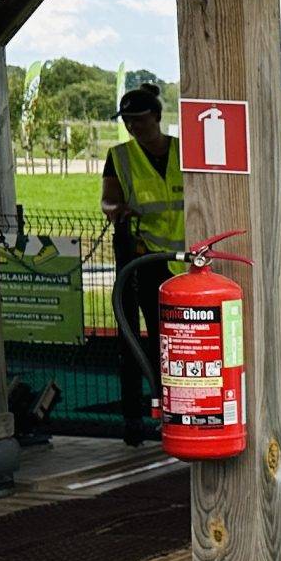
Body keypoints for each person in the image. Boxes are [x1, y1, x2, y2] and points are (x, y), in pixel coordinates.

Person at [100, 83, 182, 442]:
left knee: (181, 338)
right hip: (143, 260)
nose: (133, 127)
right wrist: (116, 211)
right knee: (143, 338)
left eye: (140, 119)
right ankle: (144, 413)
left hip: (188, 260)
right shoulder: (119, 156)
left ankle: (183, 408)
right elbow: (108, 200)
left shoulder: (186, 150)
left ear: (158, 117)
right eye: (128, 121)